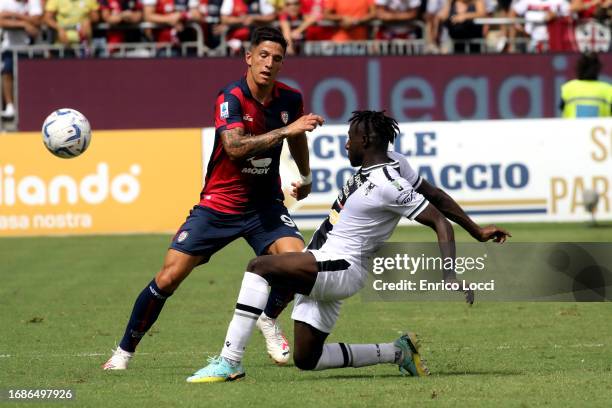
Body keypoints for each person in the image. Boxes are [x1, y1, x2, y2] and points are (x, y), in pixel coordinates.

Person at [186, 110, 511, 383]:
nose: (346, 143)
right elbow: (436, 194)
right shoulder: (393, 163)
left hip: (341, 266)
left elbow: (438, 219)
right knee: (306, 359)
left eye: (351, 138)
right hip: (324, 262)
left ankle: (230, 360)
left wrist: (449, 274)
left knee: (259, 267)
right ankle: (398, 352)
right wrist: (478, 230)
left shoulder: (389, 183)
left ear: (366, 142)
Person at [103, 26, 324, 370]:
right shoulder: (231, 97)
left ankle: (268, 318)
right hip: (219, 205)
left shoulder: (289, 99)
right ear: (248, 58)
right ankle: (122, 353)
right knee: (168, 278)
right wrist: (286, 129)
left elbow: (297, 138)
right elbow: (234, 148)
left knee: (299, 265)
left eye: (276, 59)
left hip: (264, 207)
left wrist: (306, 177)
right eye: (263, 56)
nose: (268, 63)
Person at [0, 0, 42, 119]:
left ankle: (33, 107)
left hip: (32, 48)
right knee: (7, 73)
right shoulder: (4, 2)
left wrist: (12, 15)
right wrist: (24, 23)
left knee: (32, 80)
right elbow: (1, 21)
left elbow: (37, 21)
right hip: (10, 46)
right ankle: (9, 106)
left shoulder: (34, 2)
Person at [560, 52, 612, 118]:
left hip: (572, 128)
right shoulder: (608, 89)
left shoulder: (568, 88)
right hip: (600, 128)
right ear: (597, 69)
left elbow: (562, 110)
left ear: (579, 68)